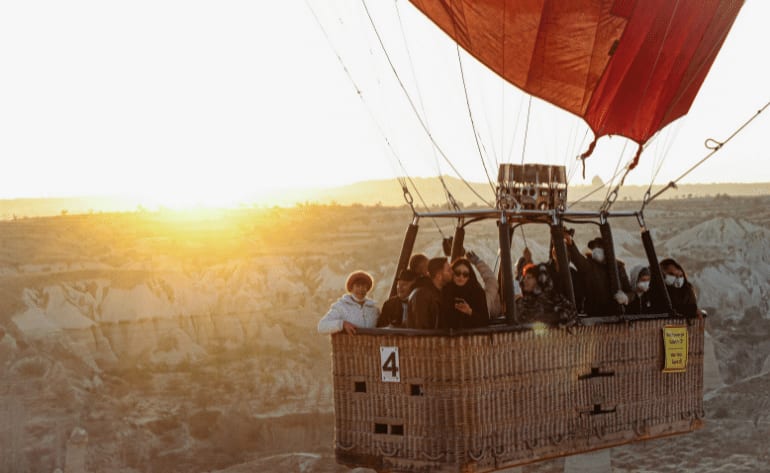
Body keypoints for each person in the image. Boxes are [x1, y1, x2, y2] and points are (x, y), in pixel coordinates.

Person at [565, 233, 631, 316]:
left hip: (616, 315)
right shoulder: (589, 266)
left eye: (599, 247)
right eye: (594, 248)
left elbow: (630, 291)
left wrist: (626, 297)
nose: (596, 250)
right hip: (595, 315)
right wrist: (571, 244)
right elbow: (578, 259)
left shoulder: (618, 267)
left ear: (606, 250)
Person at [318, 271, 379, 335]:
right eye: (357, 286)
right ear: (351, 288)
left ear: (367, 288)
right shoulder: (341, 306)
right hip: (348, 344)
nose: (361, 289)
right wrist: (342, 324)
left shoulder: (374, 309)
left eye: (363, 286)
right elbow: (322, 327)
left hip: (371, 344)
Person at [441, 257, 489, 329]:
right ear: (452, 273)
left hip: (471, 337)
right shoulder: (445, 291)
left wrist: (470, 312)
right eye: (457, 273)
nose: (461, 277)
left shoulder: (477, 293)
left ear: (469, 277)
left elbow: (485, 321)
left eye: (465, 274)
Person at [407, 257, 453, 329]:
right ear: (439, 276)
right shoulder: (421, 295)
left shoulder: (442, 294)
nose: (452, 272)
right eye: (449, 270)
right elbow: (421, 329)